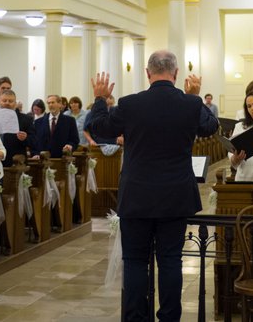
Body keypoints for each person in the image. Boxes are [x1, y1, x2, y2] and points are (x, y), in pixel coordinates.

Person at [85, 50, 218, 322]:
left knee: (135, 261)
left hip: (137, 196)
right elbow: (211, 126)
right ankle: (169, 318)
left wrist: (99, 98)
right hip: (175, 195)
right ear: (177, 74)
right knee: (170, 261)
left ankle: (135, 318)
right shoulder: (189, 104)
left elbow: (98, 128)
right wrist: (194, 96)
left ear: (147, 73)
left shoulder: (131, 104)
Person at [0, 85, 32, 166]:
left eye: (10, 101)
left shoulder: (26, 119)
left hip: (16, 162)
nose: (7, 103)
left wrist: (25, 138)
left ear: (15, 103)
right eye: (4, 100)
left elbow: (34, 141)